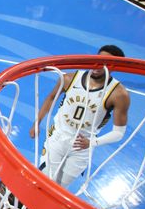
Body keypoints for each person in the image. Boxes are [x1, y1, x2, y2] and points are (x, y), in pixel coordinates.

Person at [29, 45, 131, 188]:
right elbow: (51, 98)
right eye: (98, 59)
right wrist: (37, 122)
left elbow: (118, 133)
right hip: (58, 137)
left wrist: (92, 142)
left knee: (59, 188)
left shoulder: (119, 94)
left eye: (106, 63)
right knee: (43, 183)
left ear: (115, 67)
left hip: (83, 147)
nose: (99, 65)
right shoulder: (70, 78)